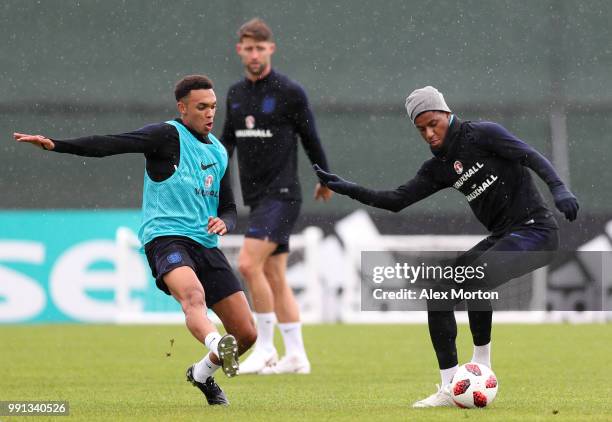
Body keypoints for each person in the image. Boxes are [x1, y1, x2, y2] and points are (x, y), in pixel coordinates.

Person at [315, 86, 579, 407]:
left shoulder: (483, 135)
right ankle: (449, 387)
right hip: (503, 235)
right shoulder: (439, 166)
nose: (428, 133)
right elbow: (396, 201)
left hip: (537, 232)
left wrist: (559, 189)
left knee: (477, 276)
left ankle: (482, 364)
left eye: (432, 124)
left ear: (446, 112)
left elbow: (531, 156)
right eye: (420, 128)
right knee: (439, 293)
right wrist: (347, 188)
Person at [13, 74, 257, 406]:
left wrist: (224, 222)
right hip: (167, 238)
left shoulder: (218, 151)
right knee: (193, 297)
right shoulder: (166, 135)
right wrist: (58, 144)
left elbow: (228, 206)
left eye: (213, 107)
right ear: (182, 108)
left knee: (247, 333)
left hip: (206, 244)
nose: (210, 114)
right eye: (201, 107)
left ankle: (201, 373)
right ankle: (215, 344)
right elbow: (110, 143)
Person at [220, 18, 333, 375]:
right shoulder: (235, 94)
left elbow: (311, 137)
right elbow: (226, 145)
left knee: (248, 264)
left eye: (260, 48)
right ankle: (296, 355)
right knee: (273, 274)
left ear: (271, 49)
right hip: (257, 198)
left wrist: (324, 177)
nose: (254, 54)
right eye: (248, 48)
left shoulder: (289, 91)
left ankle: (266, 348)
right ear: (240, 50)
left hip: (283, 195)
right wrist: (208, 180)